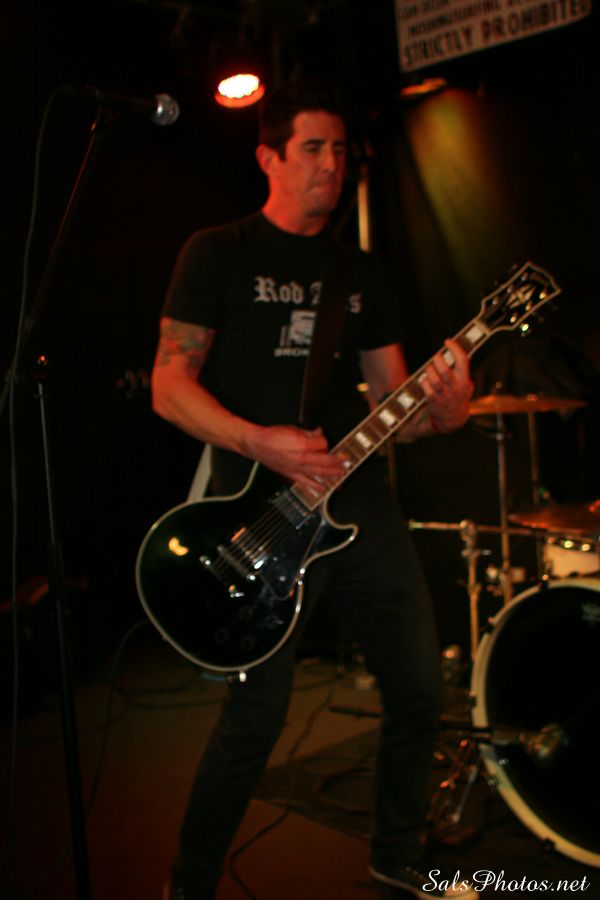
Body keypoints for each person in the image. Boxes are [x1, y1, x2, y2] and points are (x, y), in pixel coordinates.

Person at [152, 81, 476, 900]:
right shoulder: (217, 253)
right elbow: (169, 385)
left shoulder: (358, 272)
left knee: (419, 687)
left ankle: (396, 854)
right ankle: (189, 886)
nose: (332, 164)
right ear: (268, 157)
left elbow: (396, 404)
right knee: (255, 723)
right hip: (255, 514)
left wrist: (445, 411)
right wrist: (254, 439)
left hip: (357, 508)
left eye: (339, 150)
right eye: (312, 149)